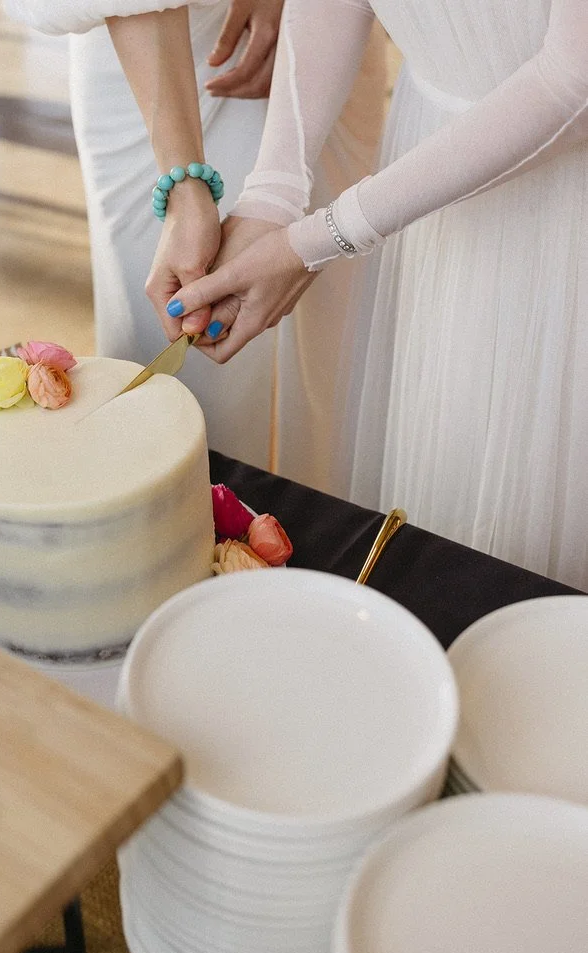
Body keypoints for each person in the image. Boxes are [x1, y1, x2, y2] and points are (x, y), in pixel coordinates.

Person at [168, 0, 588, 589]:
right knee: (444, 474)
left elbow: (577, 79)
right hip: (431, 165)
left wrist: (320, 237)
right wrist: (273, 193)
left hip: (564, 195)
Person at [5, 0, 388, 491]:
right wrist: (184, 185)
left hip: (326, 27)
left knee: (326, 358)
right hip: (139, 44)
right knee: (189, 390)